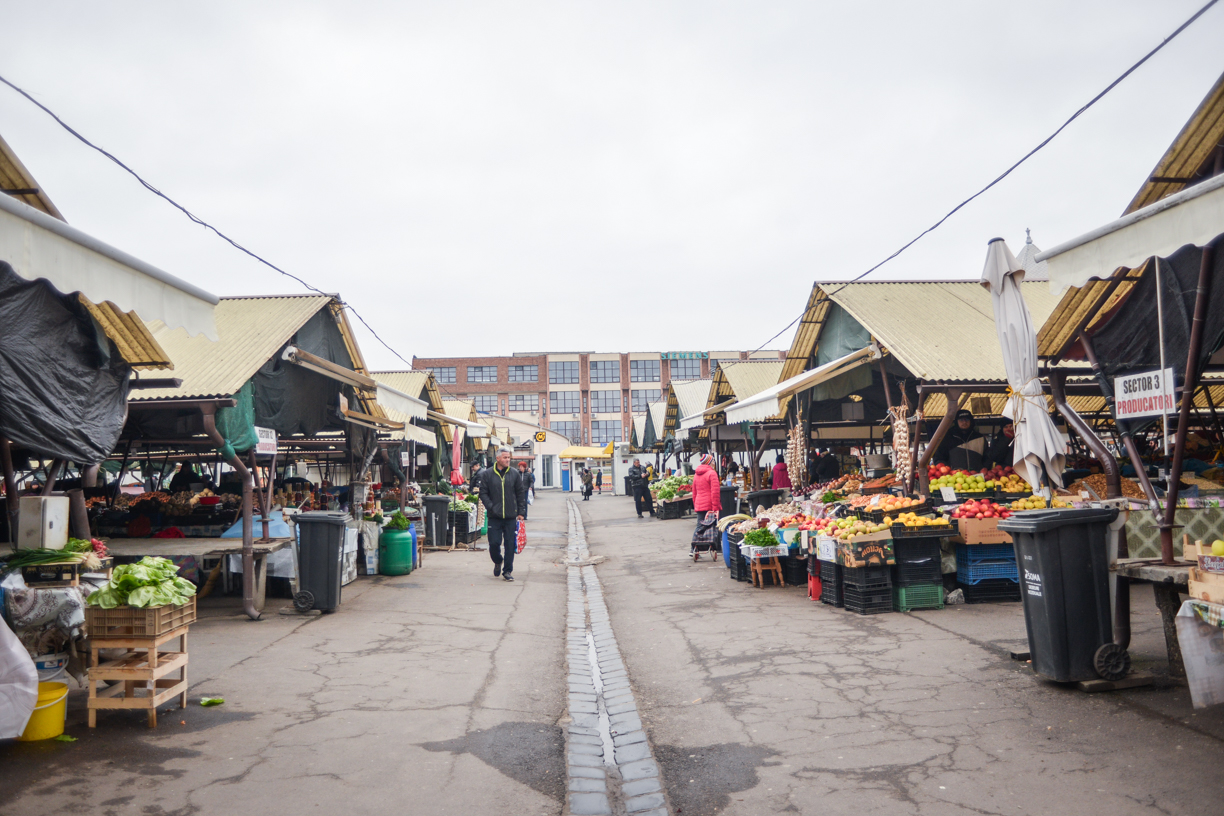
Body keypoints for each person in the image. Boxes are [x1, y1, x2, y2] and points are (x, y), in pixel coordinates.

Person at [477, 448, 528, 582]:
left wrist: (521, 512)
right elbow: (483, 493)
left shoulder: (514, 474)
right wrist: (491, 507)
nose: (507, 460)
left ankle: (507, 571)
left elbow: (520, 494)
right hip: (495, 516)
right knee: (494, 544)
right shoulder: (488, 474)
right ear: (498, 458)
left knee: (510, 544)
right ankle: (498, 561)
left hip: (511, 516)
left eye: (509, 458)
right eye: (505, 457)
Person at [690, 453, 722, 561]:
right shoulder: (712, 473)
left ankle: (693, 548)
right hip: (709, 504)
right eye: (713, 461)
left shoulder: (696, 474)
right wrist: (715, 507)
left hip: (699, 504)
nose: (714, 463)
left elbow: (694, 492)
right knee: (713, 527)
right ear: (709, 462)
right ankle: (715, 547)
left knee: (699, 527)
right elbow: (715, 492)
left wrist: (696, 504)